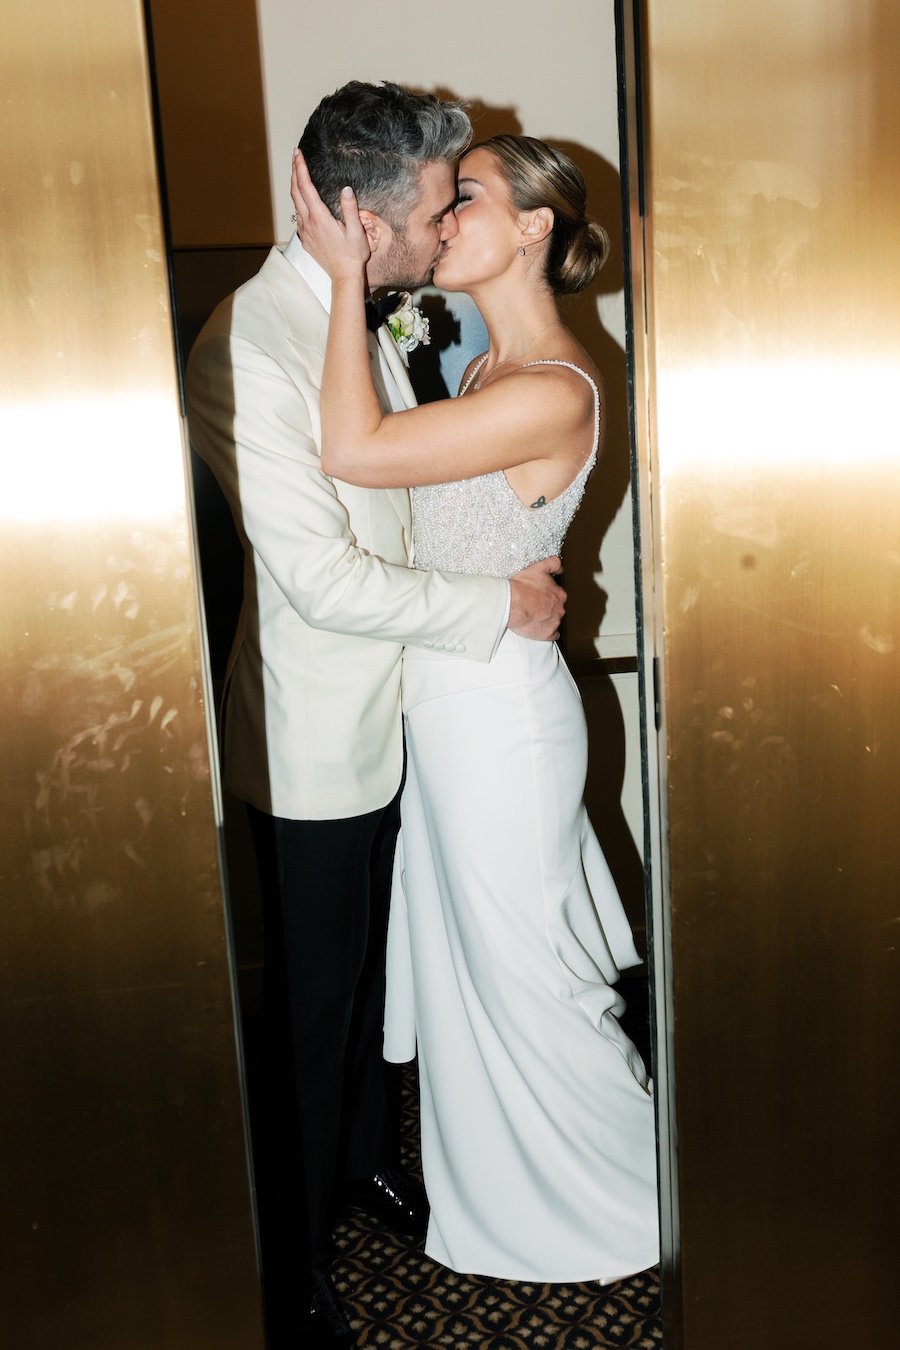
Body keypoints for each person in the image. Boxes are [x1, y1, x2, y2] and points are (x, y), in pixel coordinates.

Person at [186, 85, 564, 1350]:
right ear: (356, 218)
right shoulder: (245, 341)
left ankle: (357, 1165)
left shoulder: (372, 306)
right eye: (435, 206)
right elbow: (321, 579)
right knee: (304, 1016)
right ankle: (284, 1271)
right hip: (315, 742)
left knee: (369, 988)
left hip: (416, 720)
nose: (447, 222)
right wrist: (492, 605)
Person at [290, 132, 660, 1283]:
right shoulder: (485, 373)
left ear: (536, 228)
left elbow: (353, 452)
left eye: (465, 199)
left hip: (501, 724)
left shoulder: (552, 386)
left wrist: (347, 272)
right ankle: (510, 1204)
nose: (439, 219)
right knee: (479, 975)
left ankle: (634, 1207)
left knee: (530, 975)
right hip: (452, 713)